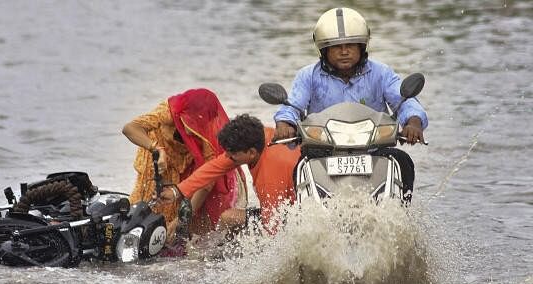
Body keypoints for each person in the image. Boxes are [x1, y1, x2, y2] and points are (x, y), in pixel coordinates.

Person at [273, 7, 428, 144]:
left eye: (351, 45)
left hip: (375, 150)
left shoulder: (382, 73)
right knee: (299, 174)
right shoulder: (307, 76)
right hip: (320, 151)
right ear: (324, 50)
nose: (344, 52)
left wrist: (413, 122)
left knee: (404, 164)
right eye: (337, 47)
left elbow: (404, 101)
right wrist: (285, 124)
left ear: (361, 47)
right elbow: (292, 106)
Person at [122, 88, 246, 244]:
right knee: (142, 210)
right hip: (155, 161)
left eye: (202, 122)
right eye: (194, 120)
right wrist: (156, 149)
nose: (198, 125)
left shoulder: (206, 130)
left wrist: (182, 220)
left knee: (173, 223)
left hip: (183, 170)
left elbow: (207, 180)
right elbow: (130, 128)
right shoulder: (168, 112)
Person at [158, 114, 301, 235]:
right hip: (289, 202)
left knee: (229, 219)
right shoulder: (264, 136)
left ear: (251, 153)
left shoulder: (269, 177)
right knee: (229, 218)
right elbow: (213, 168)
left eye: (232, 154)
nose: (227, 157)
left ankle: (218, 257)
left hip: (293, 217)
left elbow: (272, 226)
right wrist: (177, 190)